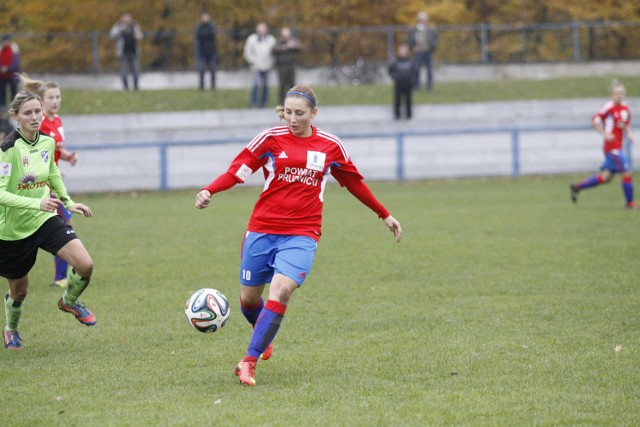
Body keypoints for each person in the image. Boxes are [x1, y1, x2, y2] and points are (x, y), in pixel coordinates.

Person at [195, 85, 403, 386]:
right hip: (262, 229)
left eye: (300, 113)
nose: (292, 119)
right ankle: (263, 338)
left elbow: (354, 183)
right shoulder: (270, 139)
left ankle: (248, 362)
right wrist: (208, 189)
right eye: (288, 112)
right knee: (248, 300)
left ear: (313, 114)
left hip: (303, 233)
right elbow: (238, 170)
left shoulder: (330, 145)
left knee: (280, 291)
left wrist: (384, 214)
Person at [1, 90, 96, 350]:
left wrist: (68, 201)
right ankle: (10, 330)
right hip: (11, 232)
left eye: (37, 111)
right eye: (28, 113)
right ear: (16, 117)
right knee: (19, 291)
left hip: (44, 219)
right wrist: (36, 202)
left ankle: (69, 301)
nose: (34, 117)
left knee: (85, 265)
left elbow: (52, 173)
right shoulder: (8, 149)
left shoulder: (47, 141)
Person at [19, 74, 78, 287]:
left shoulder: (58, 122)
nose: (55, 101)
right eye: (51, 97)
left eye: (58, 96)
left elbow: (55, 149)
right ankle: (60, 277)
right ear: (41, 102)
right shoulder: (40, 124)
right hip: (38, 186)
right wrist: (47, 171)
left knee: (60, 225)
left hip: (51, 184)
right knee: (60, 226)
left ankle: (61, 276)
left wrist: (68, 156)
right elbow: (31, 152)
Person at [570, 79, 637, 210]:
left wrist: (629, 134)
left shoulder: (625, 108)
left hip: (618, 146)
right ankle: (630, 203)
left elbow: (626, 124)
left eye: (622, 93)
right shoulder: (608, 107)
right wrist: (605, 134)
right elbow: (594, 121)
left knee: (606, 177)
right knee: (627, 172)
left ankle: (577, 187)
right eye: (617, 93)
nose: (620, 95)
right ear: (611, 94)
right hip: (612, 148)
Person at [243, 22, 276, 108]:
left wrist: (271, 62)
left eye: (263, 30)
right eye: (260, 30)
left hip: (267, 66)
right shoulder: (251, 39)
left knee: (266, 86)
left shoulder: (271, 39)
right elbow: (247, 52)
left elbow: (274, 52)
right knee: (255, 85)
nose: (261, 31)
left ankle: (264, 103)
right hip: (256, 66)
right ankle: (254, 103)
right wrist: (253, 61)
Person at [110, 13, 144, 91]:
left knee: (136, 71)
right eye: (125, 19)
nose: (126, 20)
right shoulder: (117, 26)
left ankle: (136, 87)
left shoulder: (135, 26)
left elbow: (140, 36)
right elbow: (112, 35)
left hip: (134, 52)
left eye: (128, 19)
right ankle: (126, 88)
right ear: (121, 19)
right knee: (124, 72)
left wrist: (138, 36)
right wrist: (120, 30)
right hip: (123, 53)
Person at [407, 11, 438, 91]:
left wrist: (432, 47)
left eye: (424, 19)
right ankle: (417, 86)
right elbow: (410, 40)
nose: (423, 21)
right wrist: (413, 48)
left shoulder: (431, 29)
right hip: (418, 52)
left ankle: (429, 86)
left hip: (428, 51)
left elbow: (435, 40)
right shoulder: (413, 30)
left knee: (429, 70)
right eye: (421, 19)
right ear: (418, 20)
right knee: (417, 70)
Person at [272, 27, 302, 104]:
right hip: (282, 66)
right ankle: (282, 102)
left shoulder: (293, 41)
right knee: (282, 85)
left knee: (292, 85)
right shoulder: (278, 41)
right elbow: (273, 50)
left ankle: (293, 101)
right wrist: (284, 47)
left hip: (291, 65)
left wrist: (294, 46)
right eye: (284, 35)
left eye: (287, 35)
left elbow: (300, 48)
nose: (286, 37)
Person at [388, 44, 417, 120]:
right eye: (401, 51)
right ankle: (397, 116)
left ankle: (409, 116)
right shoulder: (395, 62)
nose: (403, 53)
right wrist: (395, 77)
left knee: (408, 100)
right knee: (397, 100)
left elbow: (415, 72)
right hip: (399, 84)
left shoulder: (410, 62)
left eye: (404, 51)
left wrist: (412, 80)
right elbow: (390, 71)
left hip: (408, 84)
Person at [194, 11, 217, 91]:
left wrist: (205, 34)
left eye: (206, 17)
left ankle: (213, 86)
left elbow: (212, 33)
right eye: (204, 17)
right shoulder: (199, 27)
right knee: (202, 69)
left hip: (211, 51)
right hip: (202, 51)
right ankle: (201, 86)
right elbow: (198, 35)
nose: (205, 19)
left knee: (213, 69)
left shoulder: (212, 26)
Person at [0, 35, 18, 111]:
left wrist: (8, 68)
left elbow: (15, 63)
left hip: (12, 75)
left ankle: (14, 107)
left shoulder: (15, 49)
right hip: (2, 76)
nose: (6, 43)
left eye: (7, 41)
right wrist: (1, 68)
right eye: (5, 41)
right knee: (2, 92)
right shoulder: (1, 49)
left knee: (13, 91)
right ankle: (3, 107)